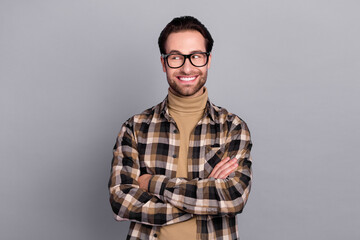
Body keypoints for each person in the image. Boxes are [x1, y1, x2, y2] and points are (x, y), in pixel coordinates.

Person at [108, 16, 252, 240]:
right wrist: (206, 199)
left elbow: (233, 198)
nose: (187, 68)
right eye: (176, 57)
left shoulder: (232, 127)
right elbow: (122, 201)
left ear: (208, 60)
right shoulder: (134, 128)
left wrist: (151, 183)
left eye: (196, 56)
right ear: (164, 62)